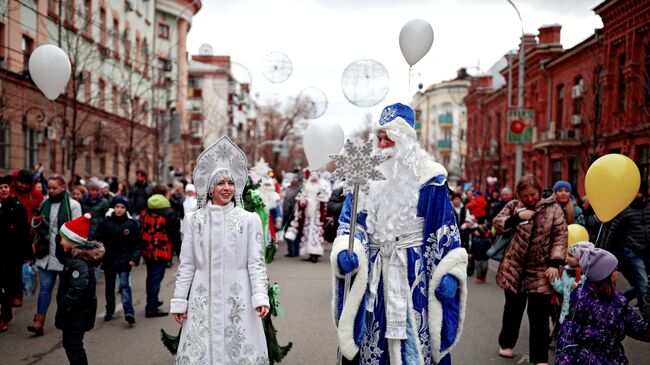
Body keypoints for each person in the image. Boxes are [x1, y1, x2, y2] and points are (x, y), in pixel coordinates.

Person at [332, 103, 467, 365]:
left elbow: (444, 229)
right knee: (374, 336)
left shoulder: (431, 179)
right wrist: (348, 250)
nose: (382, 144)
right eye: (379, 137)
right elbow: (351, 224)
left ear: (404, 140)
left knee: (415, 335)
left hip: (413, 271)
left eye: (388, 137)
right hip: (374, 270)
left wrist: (449, 272)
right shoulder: (363, 177)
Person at [170, 136, 270, 364]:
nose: (226, 188)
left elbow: (255, 262)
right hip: (201, 296)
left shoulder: (249, 220)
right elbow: (187, 264)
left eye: (230, 183)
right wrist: (180, 300)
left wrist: (260, 296)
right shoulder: (194, 220)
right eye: (220, 183)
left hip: (239, 295)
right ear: (209, 187)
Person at [493, 174, 567, 365]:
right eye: (525, 196)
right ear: (519, 194)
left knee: (539, 315)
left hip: (541, 270)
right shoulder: (513, 206)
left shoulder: (553, 209)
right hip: (514, 267)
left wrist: (554, 263)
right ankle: (507, 343)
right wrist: (517, 217)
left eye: (533, 194)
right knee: (512, 310)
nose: (530, 199)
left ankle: (540, 357)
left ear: (539, 191)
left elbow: (560, 236)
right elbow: (498, 223)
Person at [555, 248, 650, 364]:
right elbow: (567, 337)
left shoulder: (618, 300)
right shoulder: (582, 300)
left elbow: (637, 326)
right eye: (615, 270)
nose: (617, 273)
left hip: (614, 360)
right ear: (604, 275)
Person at [29, 175, 82, 336]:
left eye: (54, 188)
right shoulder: (45, 203)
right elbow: (36, 226)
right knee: (45, 288)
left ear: (63, 187)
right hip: (46, 254)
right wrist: (36, 221)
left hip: (64, 255)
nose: (50, 191)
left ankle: (66, 321)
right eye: (49, 188)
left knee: (65, 291)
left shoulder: (73, 205)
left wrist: (75, 252)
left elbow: (78, 230)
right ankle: (39, 321)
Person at [55, 213, 105, 365]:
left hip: (77, 314)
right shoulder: (75, 259)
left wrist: (65, 304)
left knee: (74, 346)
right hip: (76, 314)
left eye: (62, 238)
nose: (61, 242)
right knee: (70, 345)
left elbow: (78, 288)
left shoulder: (79, 264)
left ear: (72, 240)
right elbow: (60, 253)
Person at [603, 181, 650, 312]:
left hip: (648, 250)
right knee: (642, 281)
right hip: (633, 251)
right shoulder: (624, 209)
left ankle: (622, 298)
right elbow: (613, 231)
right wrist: (605, 253)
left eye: (639, 192)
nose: (637, 195)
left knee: (644, 283)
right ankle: (645, 313)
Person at [93, 196, 140, 326]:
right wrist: (98, 256)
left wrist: (134, 259)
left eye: (122, 207)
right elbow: (97, 240)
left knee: (125, 286)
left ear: (126, 209)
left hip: (125, 261)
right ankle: (110, 311)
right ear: (113, 208)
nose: (119, 210)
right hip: (109, 261)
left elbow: (137, 244)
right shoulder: (105, 223)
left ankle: (129, 312)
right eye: (117, 207)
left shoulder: (131, 225)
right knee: (109, 287)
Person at [139, 184, 180, 318]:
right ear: (165, 195)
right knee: (156, 278)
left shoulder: (146, 210)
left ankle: (153, 301)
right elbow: (174, 235)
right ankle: (151, 308)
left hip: (148, 248)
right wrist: (180, 252)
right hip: (162, 249)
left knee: (150, 276)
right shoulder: (169, 212)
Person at [0, 175, 31, 332]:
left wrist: (26, 254)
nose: (3, 190)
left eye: (5, 186)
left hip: (12, 254)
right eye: (0, 187)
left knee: (7, 286)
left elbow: (24, 231)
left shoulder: (16, 205)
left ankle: (4, 316)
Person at [286, 171, 331, 263]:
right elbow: (299, 198)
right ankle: (309, 252)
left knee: (316, 234)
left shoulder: (322, 186)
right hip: (307, 215)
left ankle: (315, 254)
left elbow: (326, 198)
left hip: (317, 216)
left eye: (315, 178)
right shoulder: (305, 187)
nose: (313, 180)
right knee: (306, 233)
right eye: (312, 178)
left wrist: (320, 196)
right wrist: (302, 201)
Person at [552, 241, 594, 325]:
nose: (567, 258)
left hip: (578, 320)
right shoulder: (566, 271)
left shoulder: (587, 277)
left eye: (571, 256)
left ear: (582, 259)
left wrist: (577, 290)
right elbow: (564, 290)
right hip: (563, 317)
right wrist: (554, 281)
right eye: (567, 254)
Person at [282, 177, 301, 257]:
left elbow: (286, 207)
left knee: (288, 233)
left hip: (289, 216)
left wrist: (285, 218)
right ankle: (296, 251)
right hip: (298, 216)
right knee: (296, 234)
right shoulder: (300, 191)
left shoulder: (289, 193)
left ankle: (291, 251)